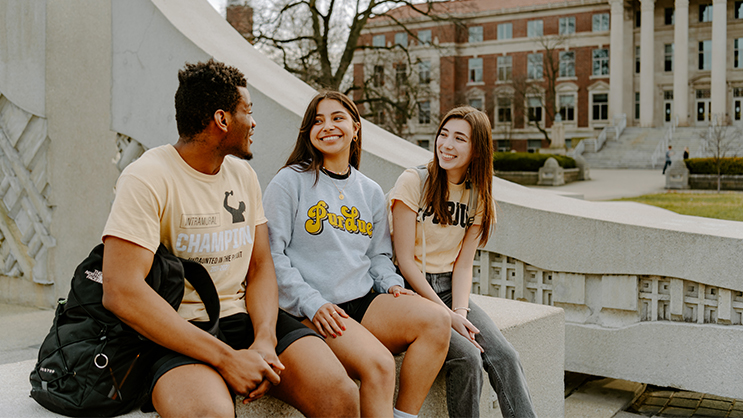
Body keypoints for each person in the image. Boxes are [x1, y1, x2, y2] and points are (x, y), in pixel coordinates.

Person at [100, 59, 359, 418]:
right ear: (222, 120)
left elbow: (261, 265)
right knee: (210, 415)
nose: (253, 123)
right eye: (247, 112)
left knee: (340, 394)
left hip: (246, 320)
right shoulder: (146, 177)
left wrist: (265, 339)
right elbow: (120, 291)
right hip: (179, 331)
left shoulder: (242, 174)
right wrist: (226, 358)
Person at [263, 91, 451, 418]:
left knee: (437, 320)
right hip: (313, 307)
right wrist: (312, 302)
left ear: (355, 128)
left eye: (337, 118)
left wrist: (391, 284)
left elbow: (378, 255)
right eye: (317, 121)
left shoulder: (370, 191)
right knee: (378, 365)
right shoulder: (289, 182)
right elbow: (270, 256)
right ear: (308, 132)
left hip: (363, 300)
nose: (327, 126)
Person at [389, 106, 536, 418]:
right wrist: (446, 316)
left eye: (459, 139)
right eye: (443, 135)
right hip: (409, 288)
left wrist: (459, 311)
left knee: (505, 356)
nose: (446, 145)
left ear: (476, 149)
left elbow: (464, 264)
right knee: (467, 357)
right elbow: (404, 261)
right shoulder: (413, 181)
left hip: (448, 287)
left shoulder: (479, 196)